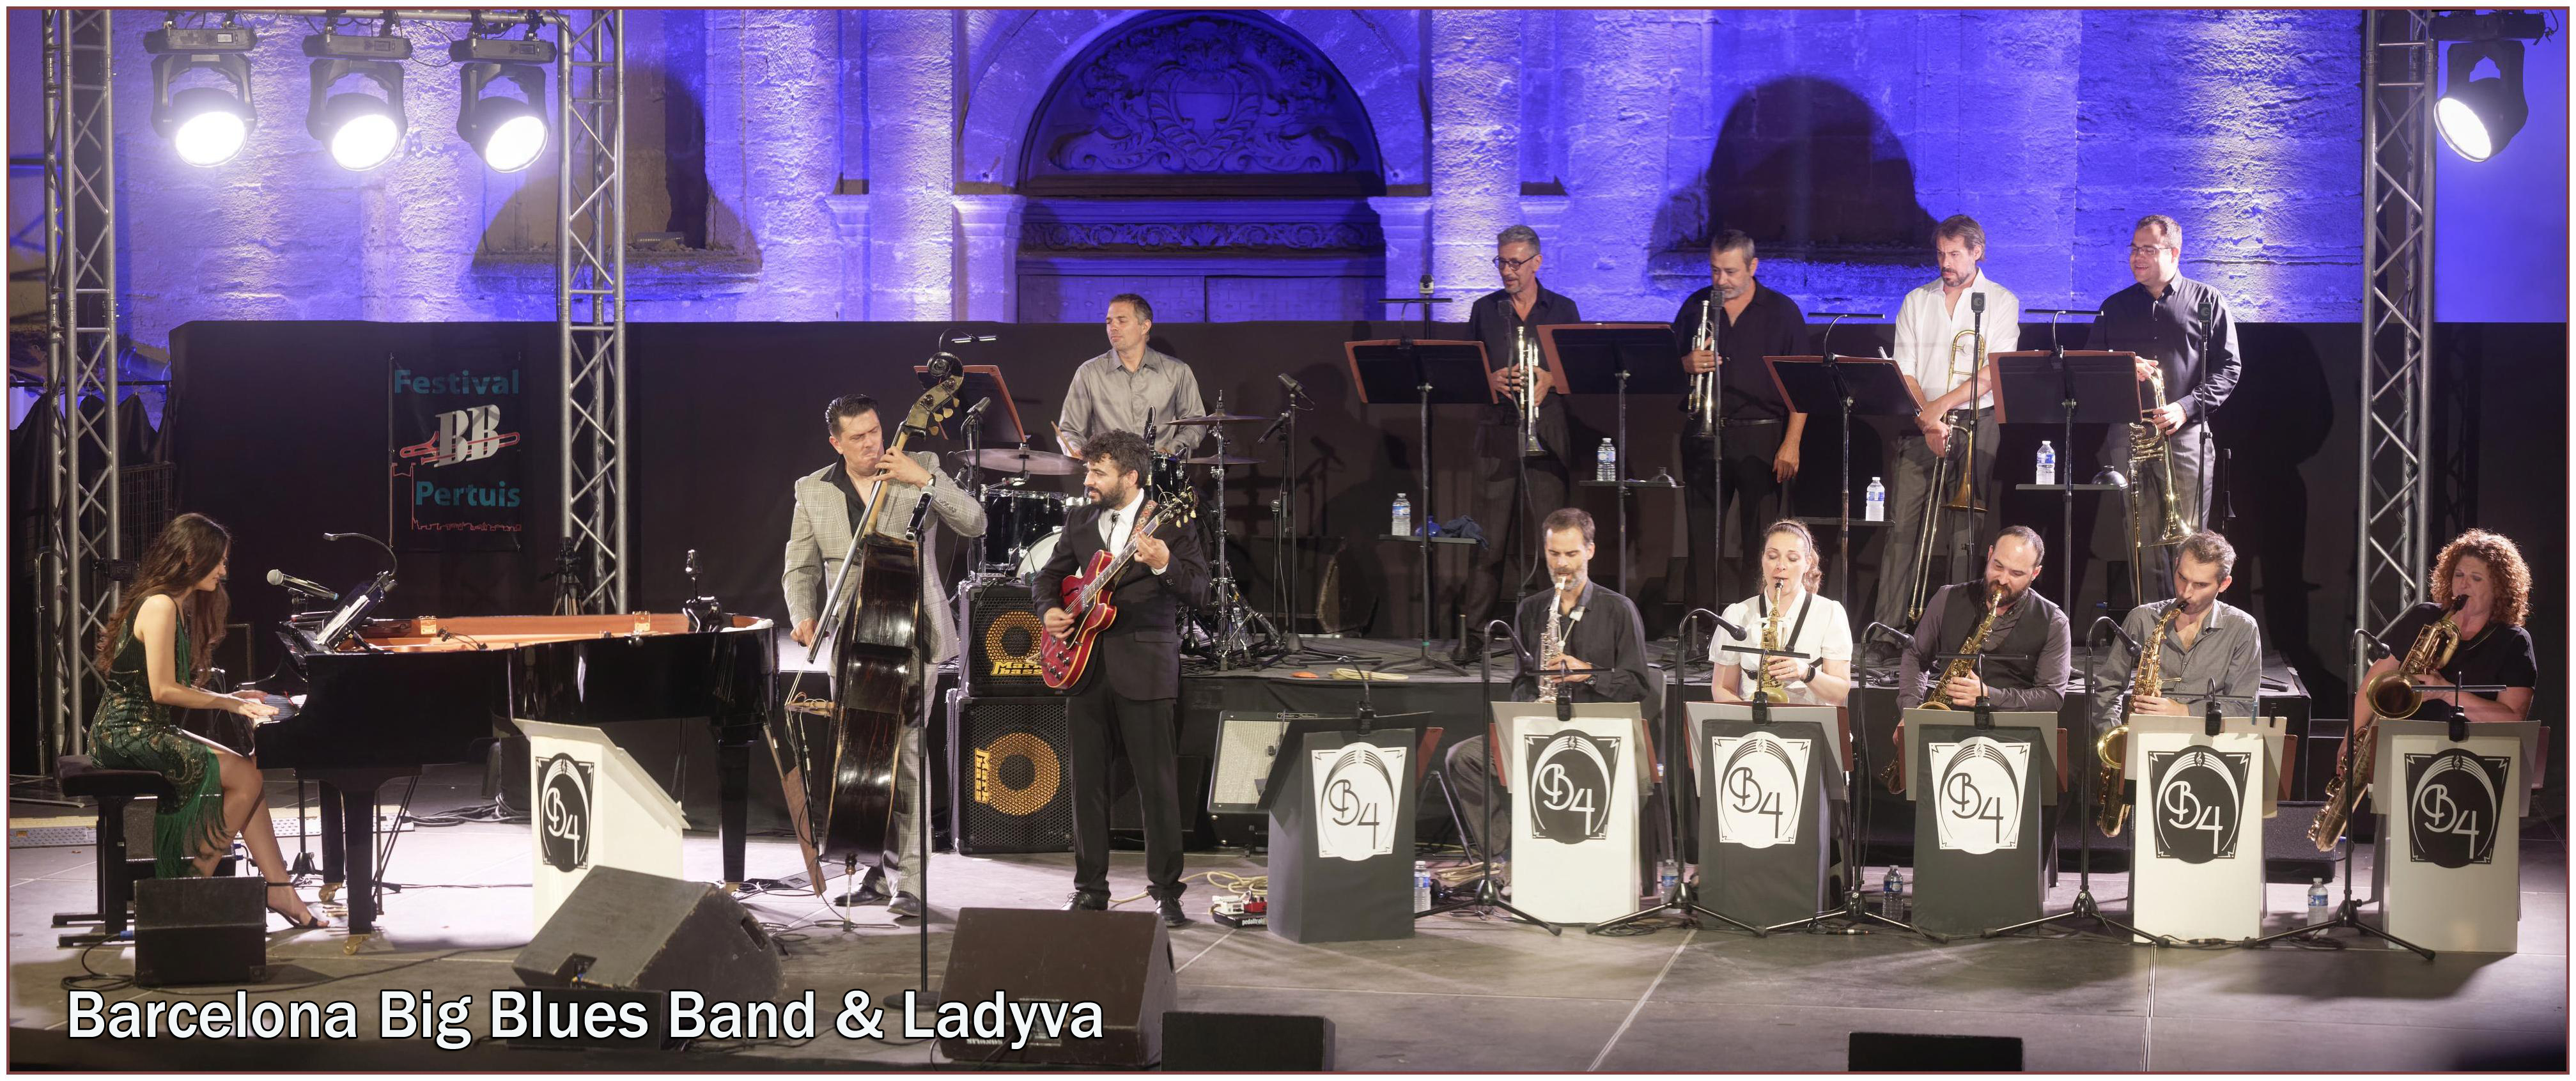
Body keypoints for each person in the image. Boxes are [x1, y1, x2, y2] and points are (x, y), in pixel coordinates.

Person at [782, 393, 986, 921]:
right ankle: (873, 868)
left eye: (875, 430)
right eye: (859, 437)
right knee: (863, 759)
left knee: (909, 755)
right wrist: (804, 614)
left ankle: (912, 881)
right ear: (837, 443)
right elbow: (799, 567)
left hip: (911, 632)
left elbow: (975, 521)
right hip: (852, 641)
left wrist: (925, 479)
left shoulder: (920, 465)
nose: (873, 443)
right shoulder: (813, 489)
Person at [86, 513, 325, 929]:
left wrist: (235, 697)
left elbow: (169, 688)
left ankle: (279, 887)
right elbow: (163, 691)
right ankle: (187, 886)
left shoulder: (174, 605)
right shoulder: (160, 605)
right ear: (190, 557)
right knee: (245, 778)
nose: (223, 571)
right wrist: (230, 705)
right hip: (122, 734)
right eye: (218, 560)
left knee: (249, 773)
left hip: (146, 728)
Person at [1036, 430, 1211, 926]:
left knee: (1157, 786)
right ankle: (1090, 889)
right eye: (1088, 470)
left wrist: (1165, 564)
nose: (1088, 480)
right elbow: (1047, 578)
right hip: (1085, 668)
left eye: (1099, 472)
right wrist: (1049, 610)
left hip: (1146, 668)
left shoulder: (1170, 522)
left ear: (1131, 476)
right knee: (1087, 785)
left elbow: (1201, 589)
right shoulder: (1080, 520)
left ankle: (1166, 893)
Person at [1443, 508, 1658, 863]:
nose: (1562, 565)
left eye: (1571, 554)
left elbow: (1637, 684)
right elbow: (1520, 682)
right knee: (1464, 758)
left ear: (1590, 551)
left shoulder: (1619, 609)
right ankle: (1506, 859)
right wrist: (1532, 704)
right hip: (1543, 731)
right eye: (1553, 554)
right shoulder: (1531, 609)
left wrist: (1588, 673)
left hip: (1599, 736)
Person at [1868, 215, 2022, 670]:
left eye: (1954, 254)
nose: (1945, 262)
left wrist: (1940, 408)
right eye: (1940, 253)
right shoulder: (1917, 301)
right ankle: (1887, 633)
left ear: (1977, 252)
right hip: (1923, 425)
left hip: (1978, 422)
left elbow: (1993, 373)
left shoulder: (2002, 301)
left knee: (1964, 534)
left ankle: (1956, 636)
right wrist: (1929, 419)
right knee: (1903, 529)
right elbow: (1905, 370)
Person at [2093, 214, 2242, 598]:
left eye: (2148, 249)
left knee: (2189, 542)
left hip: (2186, 435)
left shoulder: (2208, 300)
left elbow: (2229, 368)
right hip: (2129, 436)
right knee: (2139, 541)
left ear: (2174, 253)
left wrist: (2186, 407)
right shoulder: (2114, 307)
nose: (2137, 257)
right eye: (2134, 249)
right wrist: (2122, 367)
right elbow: (2090, 368)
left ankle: (2189, 626)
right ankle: (2151, 626)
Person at [1454, 224, 1583, 663]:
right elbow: (1467, 370)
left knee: (1551, 543)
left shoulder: (1562, 309)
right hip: (1498, 433)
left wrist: (1552, 379)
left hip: (1546, 435)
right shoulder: (1485, 309)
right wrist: (1490, 379)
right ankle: (1475, 634)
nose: (1507, 271)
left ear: (1536, 262)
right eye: (1501, 262)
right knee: (1488, 541)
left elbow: (1580, 370)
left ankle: (1552, 633)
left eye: (1515, 263)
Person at [1673, 231, 1812, 609]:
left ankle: (1757, 623)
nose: (1721, 281)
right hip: (1703, 436)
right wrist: (1686, 363)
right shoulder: (1695, 307)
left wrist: (1792, 442)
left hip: (1761, 437)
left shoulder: (1782, 312)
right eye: (1715, 270)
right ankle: (1704, 623)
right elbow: (1666, 368)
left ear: (1753, 267)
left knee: (1762, 541)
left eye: (1731, 272)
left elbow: (1802, 387)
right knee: (1702, 537)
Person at [2354, 529, 2536, 725]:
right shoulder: (2424, 617)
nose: (2464, 584)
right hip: (2407, 737)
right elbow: (2375, 681)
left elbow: (2513, 719)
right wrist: (2351, 736)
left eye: (2476, 578)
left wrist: (2446, 692)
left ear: (2499, 588)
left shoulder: (2513, 641)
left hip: (2475, 743)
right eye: (2459, 575)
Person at [2094, 530, 2262, 735]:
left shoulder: (2242, 628)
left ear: (2224, 584)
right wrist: (2115, 738)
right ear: (2175, 565)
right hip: (2146, 739)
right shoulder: (2142, 618)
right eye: (2182, 578)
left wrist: (2184, 712)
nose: (2185, 592)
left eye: (2200, 585)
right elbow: (2107, 689)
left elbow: (2245, 708)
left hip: (2210, 744)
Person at [1897, 526, 2070, 714]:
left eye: (2016, 574)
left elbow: (2051, 697)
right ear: (1990, 554)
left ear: (2035, 573)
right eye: (1998, 566)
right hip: (1947, 721)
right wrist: (1911, 711)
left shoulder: (2054, 622)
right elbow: (1916, 656)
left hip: (2012, 728)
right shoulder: (1946, 598)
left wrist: (1989, 696)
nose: (2003, 580)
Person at [1711, 520, 1854, 708]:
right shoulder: (1736, 614)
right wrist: (1747, 719)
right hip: (1752, 722)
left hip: (1811, 721)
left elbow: (1839, 693)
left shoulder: (1830, 613)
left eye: (1792, 559)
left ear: (1808, 563)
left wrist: (1806, 672)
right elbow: (1722, 687)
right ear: (1763, 559)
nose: (1780, 566)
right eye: (1772, 556)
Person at [1055, 294, 1206, 459]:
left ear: (1144, 327)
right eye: (1109, 322)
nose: (1113, 327)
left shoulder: (1177, 371)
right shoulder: (1089, 373)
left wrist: (1169, 451)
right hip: (1109, 470)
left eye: (1122, 321)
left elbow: (1195, 424)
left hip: (1159, 470)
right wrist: (1077, 450)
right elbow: (1070, 429)